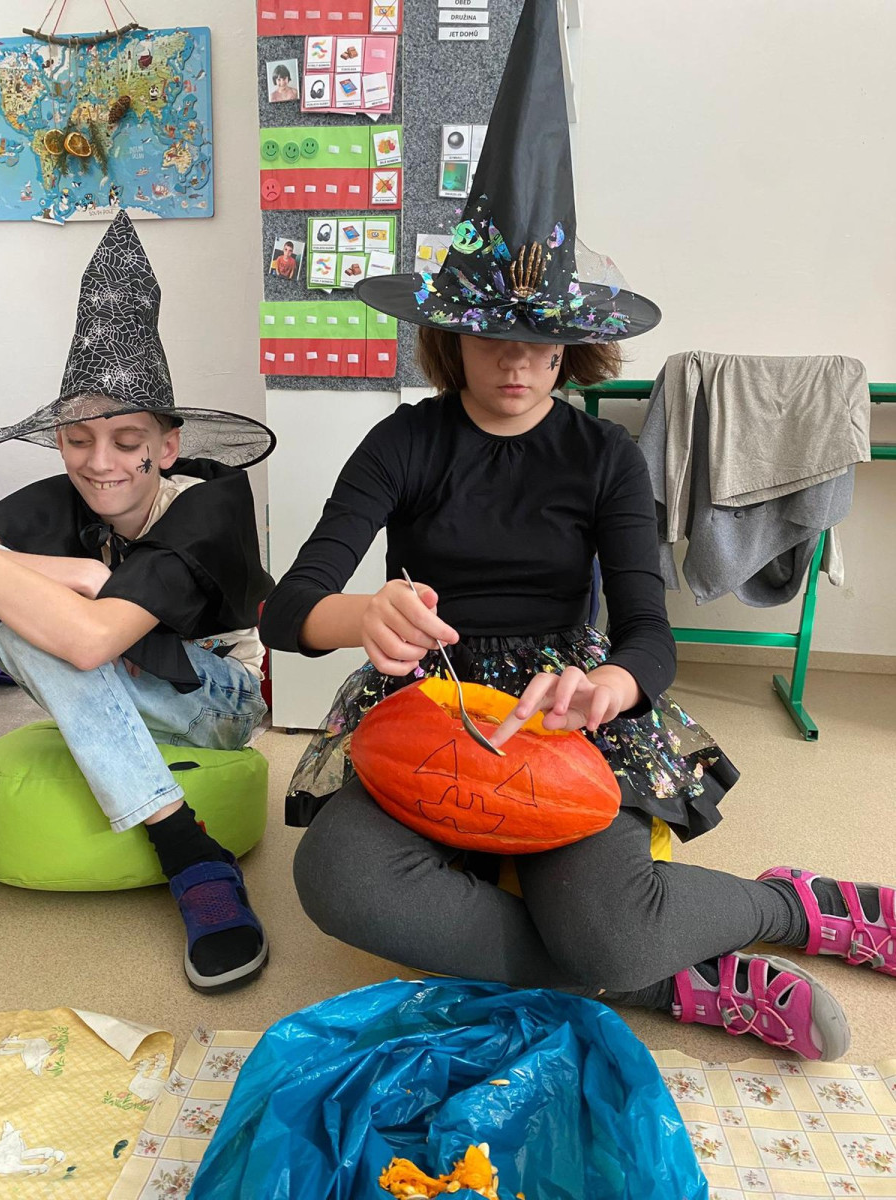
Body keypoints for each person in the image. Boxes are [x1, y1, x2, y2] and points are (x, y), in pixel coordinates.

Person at [260, 0, 894, 1060]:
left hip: (560, 705)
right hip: (431, 704)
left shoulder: (604, 457)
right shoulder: (402, 443)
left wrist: (612, 686)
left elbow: (649, 633)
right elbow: (287, 611)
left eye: (543, 339)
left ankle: (789, 906)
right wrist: (360, 612)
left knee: (603, 918)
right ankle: (656, 980)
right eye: (494, 335)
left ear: (572, 347)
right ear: (451, 334)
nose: (518, 361)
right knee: (338, 880)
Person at [0, 211, 277, 994]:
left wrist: (56, 586)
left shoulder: (209, 506)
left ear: (166, 446)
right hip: (123, 692)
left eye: (127, 441)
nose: (101, 463)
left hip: (218, 699)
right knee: (22, 612)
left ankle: (186, 847)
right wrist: (67, 573)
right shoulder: (50, 505)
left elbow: (91, 642)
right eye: (78, 439)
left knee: (27, 626)